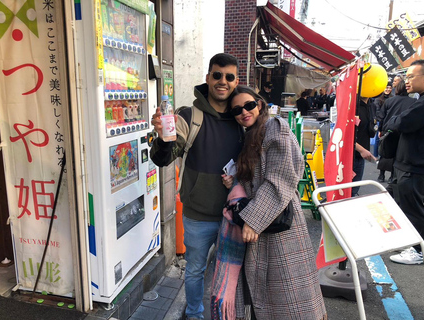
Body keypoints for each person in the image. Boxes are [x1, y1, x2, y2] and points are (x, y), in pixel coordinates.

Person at [217, 85, 327, 319]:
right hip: (262, 223)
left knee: (289, 299)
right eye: (237, 110)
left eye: (248, 105)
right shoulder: (251, 134)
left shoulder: (275, 127)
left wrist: (253, 221)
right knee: (266, 297)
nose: (244, 112)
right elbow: (256, 179)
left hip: (279, 226)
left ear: (259, 104)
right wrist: (234, 182)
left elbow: (282, 178)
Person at [150, 53, 244, 319]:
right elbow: (163, 158)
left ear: (236, 81)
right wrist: (163, 138)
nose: (222, 81)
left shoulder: (243, 117)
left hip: (235, 215)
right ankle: (194, 314)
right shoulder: (189, 115)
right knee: (194, 271)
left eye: (229, 77)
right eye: (217, 75)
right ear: (208, 77)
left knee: (234, 271)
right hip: (197, 215)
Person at [384, 59, 424, 265]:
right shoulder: (420, 100)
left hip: (414, 166)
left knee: (414, 209)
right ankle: (414, 244)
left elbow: (400, 122)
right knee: (408, 206)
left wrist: (394, 122)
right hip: (410, 164)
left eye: (411, 76)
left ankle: (419, 251)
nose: (406, 81)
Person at [376, 79, 415, 184]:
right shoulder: (413, 102)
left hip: (387, 130)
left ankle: (381, 174)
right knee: (398, 156)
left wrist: (380, 130)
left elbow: (381, 117)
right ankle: (393, 176)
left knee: (385, 153)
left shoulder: (389, 101)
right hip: (402, 132)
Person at [352, 96, 377, 196]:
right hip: (349, 155)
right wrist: (362, 150)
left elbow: (371, 129)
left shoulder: (371, 106)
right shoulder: (353, 105)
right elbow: (346, 134)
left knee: (354, 189)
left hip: (361, 156)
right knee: (346, 190)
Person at [372, 83, 393, 169]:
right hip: (380, 121)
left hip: (388, 122)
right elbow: (377, 112)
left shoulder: (392, 98)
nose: (387, 89)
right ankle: (376, 156)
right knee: (378, 139)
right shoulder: (378, 99)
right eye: (386, 88)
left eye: (389, 88)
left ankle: (383, 156)